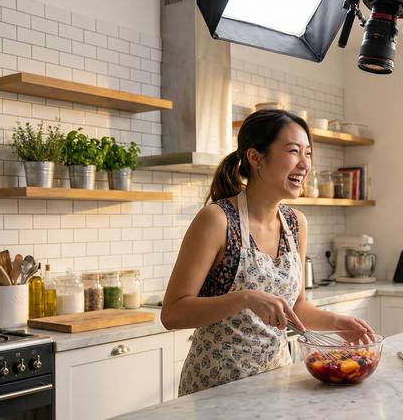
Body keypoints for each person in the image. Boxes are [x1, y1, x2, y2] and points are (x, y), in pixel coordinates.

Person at [161, 109, 376, 395]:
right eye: (293, 151)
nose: (304, 164)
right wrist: (244, 299)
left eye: (308, 153)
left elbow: (295, 307)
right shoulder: (217, 220)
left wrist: (336, 322)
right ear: (255, 157)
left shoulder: (295, 223)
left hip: (275, 383)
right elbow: (173, 313)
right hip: (216, 387)